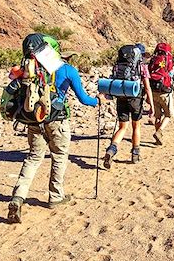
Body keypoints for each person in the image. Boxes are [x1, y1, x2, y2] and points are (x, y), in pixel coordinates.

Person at [7, 35, 104, 224]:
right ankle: (55, 197)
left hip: (34, 120)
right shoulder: (67, 70)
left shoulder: (27, 70)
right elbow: (84, 99)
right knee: (59, 156)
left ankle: (18, 198)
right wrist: (98, 100)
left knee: (33, 158)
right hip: (57, 121)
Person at [102, 44, 154, 169]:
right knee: (136, 126)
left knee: (122, 127)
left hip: (121, 96)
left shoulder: (118, 65)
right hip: (135, 99)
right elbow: (147, 87)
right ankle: (135, 154)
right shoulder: (142, 67)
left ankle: (112, 149)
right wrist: (151, 105)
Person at [148, 43, 174, 145]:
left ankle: (157, 138)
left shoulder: (153, 60)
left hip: (153, 91)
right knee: (168, 115)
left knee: (157, 116)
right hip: (165, 92)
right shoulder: (170, 62)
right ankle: (159, 132)